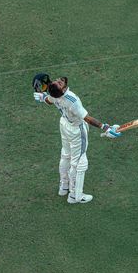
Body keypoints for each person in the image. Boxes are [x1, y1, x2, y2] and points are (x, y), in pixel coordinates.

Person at [33, 74, 122, 204]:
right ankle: (75, 196)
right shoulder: (71, 100)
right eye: (59, 83)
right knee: (79, 162)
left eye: (58, 81)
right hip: (76, 130)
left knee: (65, 156)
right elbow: (86, 118)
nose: (59, 80)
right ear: (63, 90)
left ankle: (63, 187)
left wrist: (43, 97)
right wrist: (106, 127)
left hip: (64, 125)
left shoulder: (53, 93)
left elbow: (49, 100)